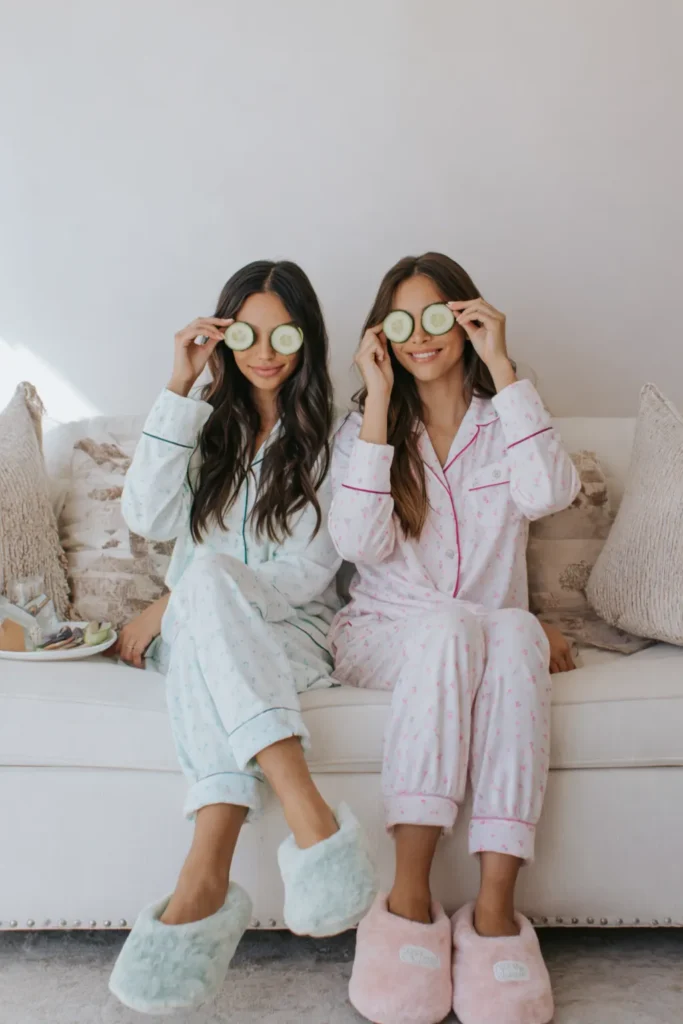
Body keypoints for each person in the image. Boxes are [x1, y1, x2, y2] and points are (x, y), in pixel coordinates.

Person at [108, 260, 377, 1015]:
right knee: (207, 604)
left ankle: (203, 877)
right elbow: (146, 519)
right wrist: (177, 387)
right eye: (247, 333)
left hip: (291, 636)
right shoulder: (204, 427)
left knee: (209, 591)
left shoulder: (337, 437)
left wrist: (189, 592)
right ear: (222, 338)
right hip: (199, 638)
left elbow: (313, 569)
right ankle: (307, 816)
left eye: (283, 333)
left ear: (307, 336)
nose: (265, 351)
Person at [328, 253, 580, 1024]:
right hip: (387, 634)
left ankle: (495, 915)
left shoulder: (503, 416)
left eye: (435, 315)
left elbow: (548, 493)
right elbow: (357, 541)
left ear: (465, 318)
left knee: (509, 633)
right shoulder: (364, 429)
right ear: (384, 335)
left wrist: (503, 368)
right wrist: (376, 400)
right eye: (400, 322)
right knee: (453, 625)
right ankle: (408, 902)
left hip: (482, 634)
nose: (419, 337)